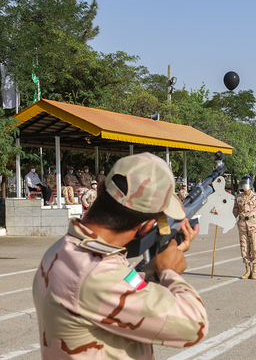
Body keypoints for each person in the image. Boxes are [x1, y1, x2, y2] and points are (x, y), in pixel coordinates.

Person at [32, 152, 208, 359]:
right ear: (146, 226)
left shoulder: (67, 249)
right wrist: (171, 272)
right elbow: (194, 325)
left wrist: (155, 268)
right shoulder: (96, 272)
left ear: (98, 190)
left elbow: (123, 286)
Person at [232, 175, 256, 280]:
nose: (245, 185)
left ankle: (254, 271)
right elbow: (234, 212)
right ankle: (247, 270)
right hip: (242, 225)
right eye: (243, 183)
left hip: (253, 224)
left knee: (254, 247)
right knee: (244, 248)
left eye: (246, 183)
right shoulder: (238, 198)